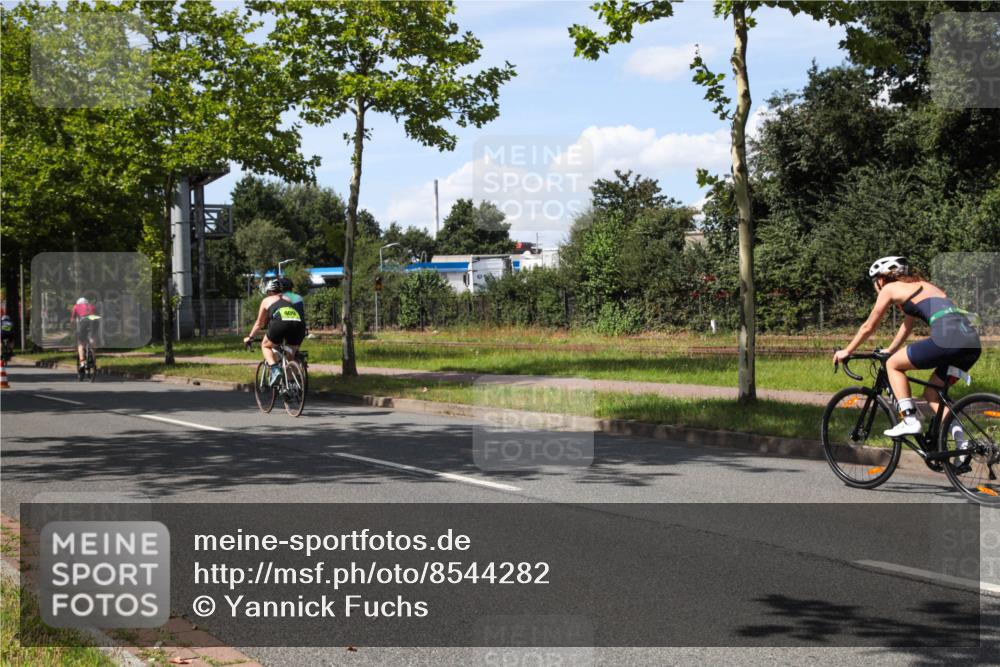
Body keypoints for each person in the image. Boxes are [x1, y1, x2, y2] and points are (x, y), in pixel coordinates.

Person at [833, 256, 981, 443]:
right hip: (971, 343)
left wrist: (847, 350)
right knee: (932, 394)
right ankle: (964, 443)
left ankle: (910, 419)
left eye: (875, 282)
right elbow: (907, 325)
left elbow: (869, 326)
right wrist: (891, 349)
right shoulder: (923, 286)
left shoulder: (889, 289)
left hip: (947, 339)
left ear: (881, 279)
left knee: (893, 365)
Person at [244, 279, 306, 386]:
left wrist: (250, 337)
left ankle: (274, 369)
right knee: (290, 357)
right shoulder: (288, 299)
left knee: (265, 345)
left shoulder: (267, 300)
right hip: (298, 324)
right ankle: (292, 385)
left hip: (281, 322)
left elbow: (259, 323)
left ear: (268, 291)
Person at [70, 297, 100, 372]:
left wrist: (72, 329)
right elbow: (97, 315)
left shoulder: (76, 306)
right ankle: (93, 359)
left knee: (80, 343)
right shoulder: (92, 306)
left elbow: (72, 320)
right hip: (94, 321)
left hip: (84, 322)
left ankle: (82, 362)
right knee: (93, 339)